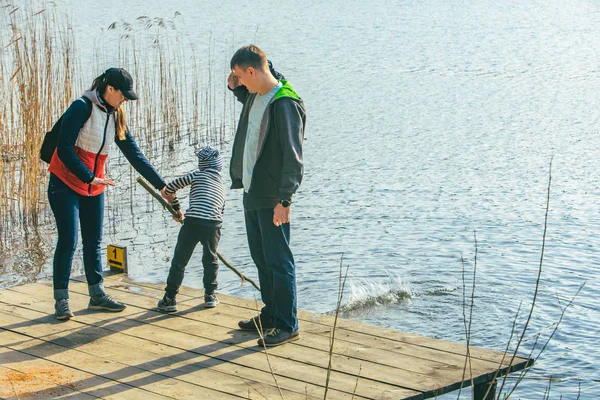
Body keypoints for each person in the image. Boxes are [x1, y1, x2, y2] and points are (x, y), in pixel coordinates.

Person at [48, 67, 174, 320]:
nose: (125, 99)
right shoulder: (81, 107)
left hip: (95, 184)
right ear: (109, 89)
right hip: (65, 182)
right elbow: (63, 149)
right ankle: (61, 300)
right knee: (68, 241)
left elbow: (134, 154)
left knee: (94, 241)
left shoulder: (116, 114)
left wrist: (162, 185)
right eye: (123, 94)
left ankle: (97, 295)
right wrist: (88, 176)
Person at [227, 45, 306, 347]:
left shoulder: (284, 103)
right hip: (252, 189)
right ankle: (272, 314)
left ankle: (288, 324)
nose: (239, 82)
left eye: (240, 76)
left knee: (278, 259)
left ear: (252, 71)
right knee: (261, 257)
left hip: (273, 195)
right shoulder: (255, 95)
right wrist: (235, 86)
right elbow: (253, 88)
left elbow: (293, 156)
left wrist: (285, 200)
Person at [156, 146, 226, 312]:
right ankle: (210, 295)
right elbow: (221, 210)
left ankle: (170, 298)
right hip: (213, 225)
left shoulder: (197, 174)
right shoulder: (221, 184)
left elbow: (169, 188)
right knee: (211, 260)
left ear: (202, 164)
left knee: (179, 261)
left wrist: (176, 207)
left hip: (193, 222)